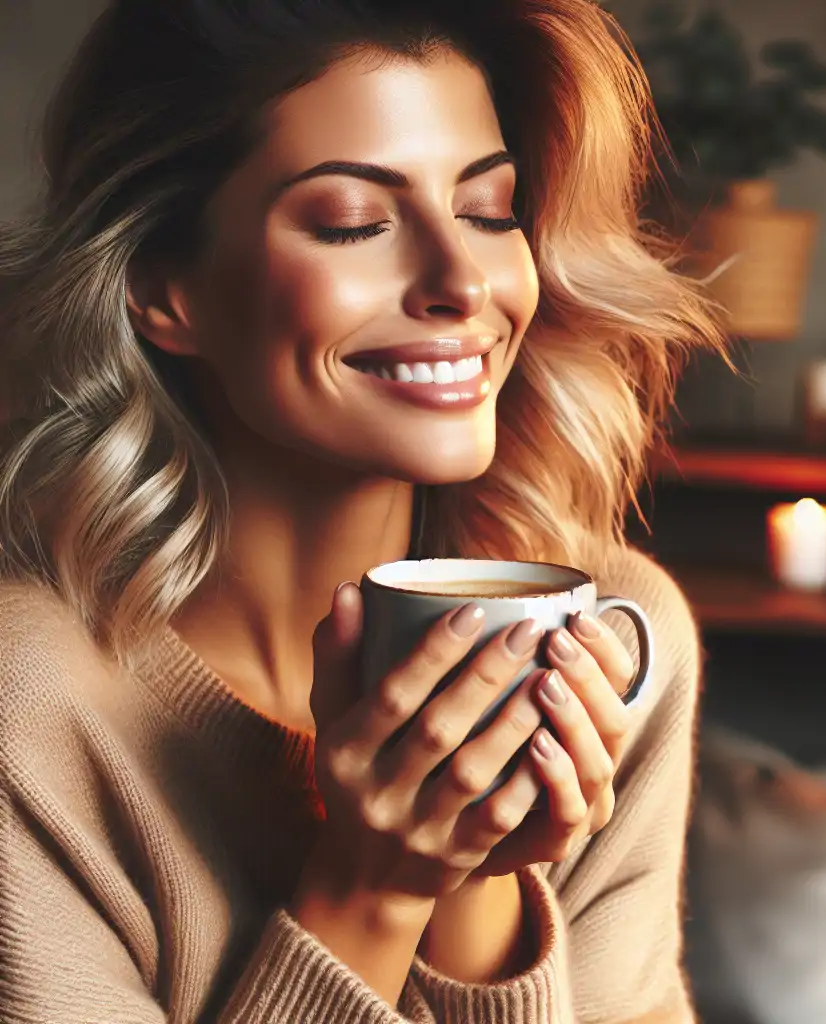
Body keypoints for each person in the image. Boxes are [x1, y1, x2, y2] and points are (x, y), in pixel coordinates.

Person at [0, 1, 720, 1021]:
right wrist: (374, 889)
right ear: (163, 288)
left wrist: (479, 882)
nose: (462, 280)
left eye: (488, 209)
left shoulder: (616, 640)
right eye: (353, 223)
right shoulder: (25, 710)